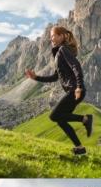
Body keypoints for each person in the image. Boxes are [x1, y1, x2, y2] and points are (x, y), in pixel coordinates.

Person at [25, 26, 93, 156]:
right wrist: (36, 77)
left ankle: (85, 119)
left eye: (53, 36)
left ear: (62, 36)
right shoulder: (58, 53)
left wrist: (78, 86)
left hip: (75, 90)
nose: (51, 39)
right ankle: (80, 148)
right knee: (60, 119)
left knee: (53, 115)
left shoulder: (63, 49)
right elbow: (55, 77)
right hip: (73, 90)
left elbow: (76, 66)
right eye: (50, 36)